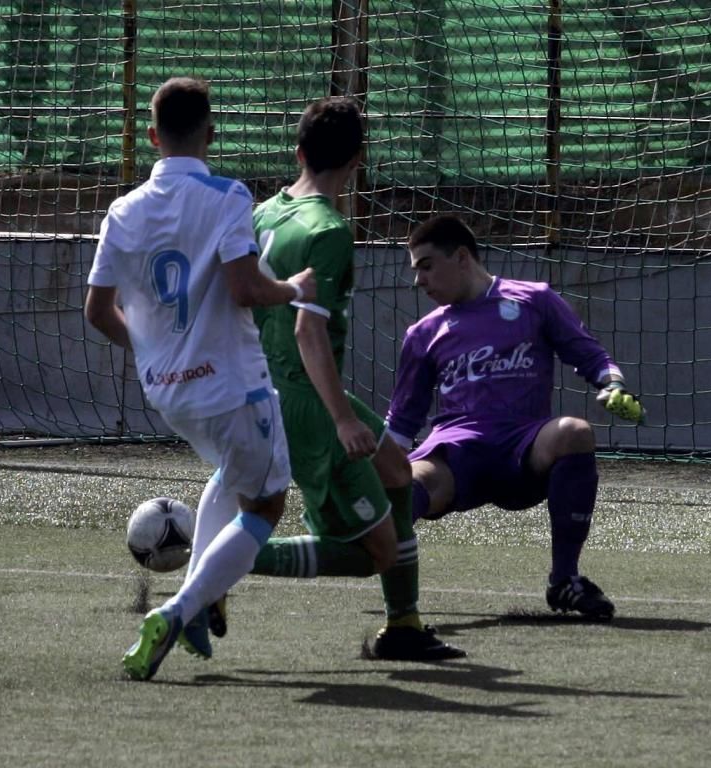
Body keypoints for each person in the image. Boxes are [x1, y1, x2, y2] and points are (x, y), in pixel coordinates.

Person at [84, 77, 317, 681]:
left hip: (167, 391)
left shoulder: (123, 209)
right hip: (230, 384)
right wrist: (293, 289)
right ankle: (179, 609)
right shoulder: (227, 194)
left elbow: (95, 310)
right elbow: (245, 289)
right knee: (266, 503)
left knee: (232, 474)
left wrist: (152, 349)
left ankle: (197, 597)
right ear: (210, 134)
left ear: (152, 136)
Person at [246, 96, 465, 660]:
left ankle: (404, 626)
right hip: (309, 404)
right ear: (358, 160)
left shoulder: (264, 213)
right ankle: (232, 559)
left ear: (299, 153)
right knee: (376, 554)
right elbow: (307, 333)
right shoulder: (331, 231)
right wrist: (341, 418)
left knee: (397, 470)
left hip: (280, 389)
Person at [387, 214, 645, 620]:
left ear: (461, 258)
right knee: (404, 487)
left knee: (575, 432)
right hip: (457, 450)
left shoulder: (534, 299)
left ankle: (564, 581)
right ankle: (384, 585)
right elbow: (403, 421)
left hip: (523, 445)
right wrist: (381, 470)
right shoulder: (422, 333)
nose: (418, 280)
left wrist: (612, 384)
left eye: (426, 265)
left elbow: (590, 354)